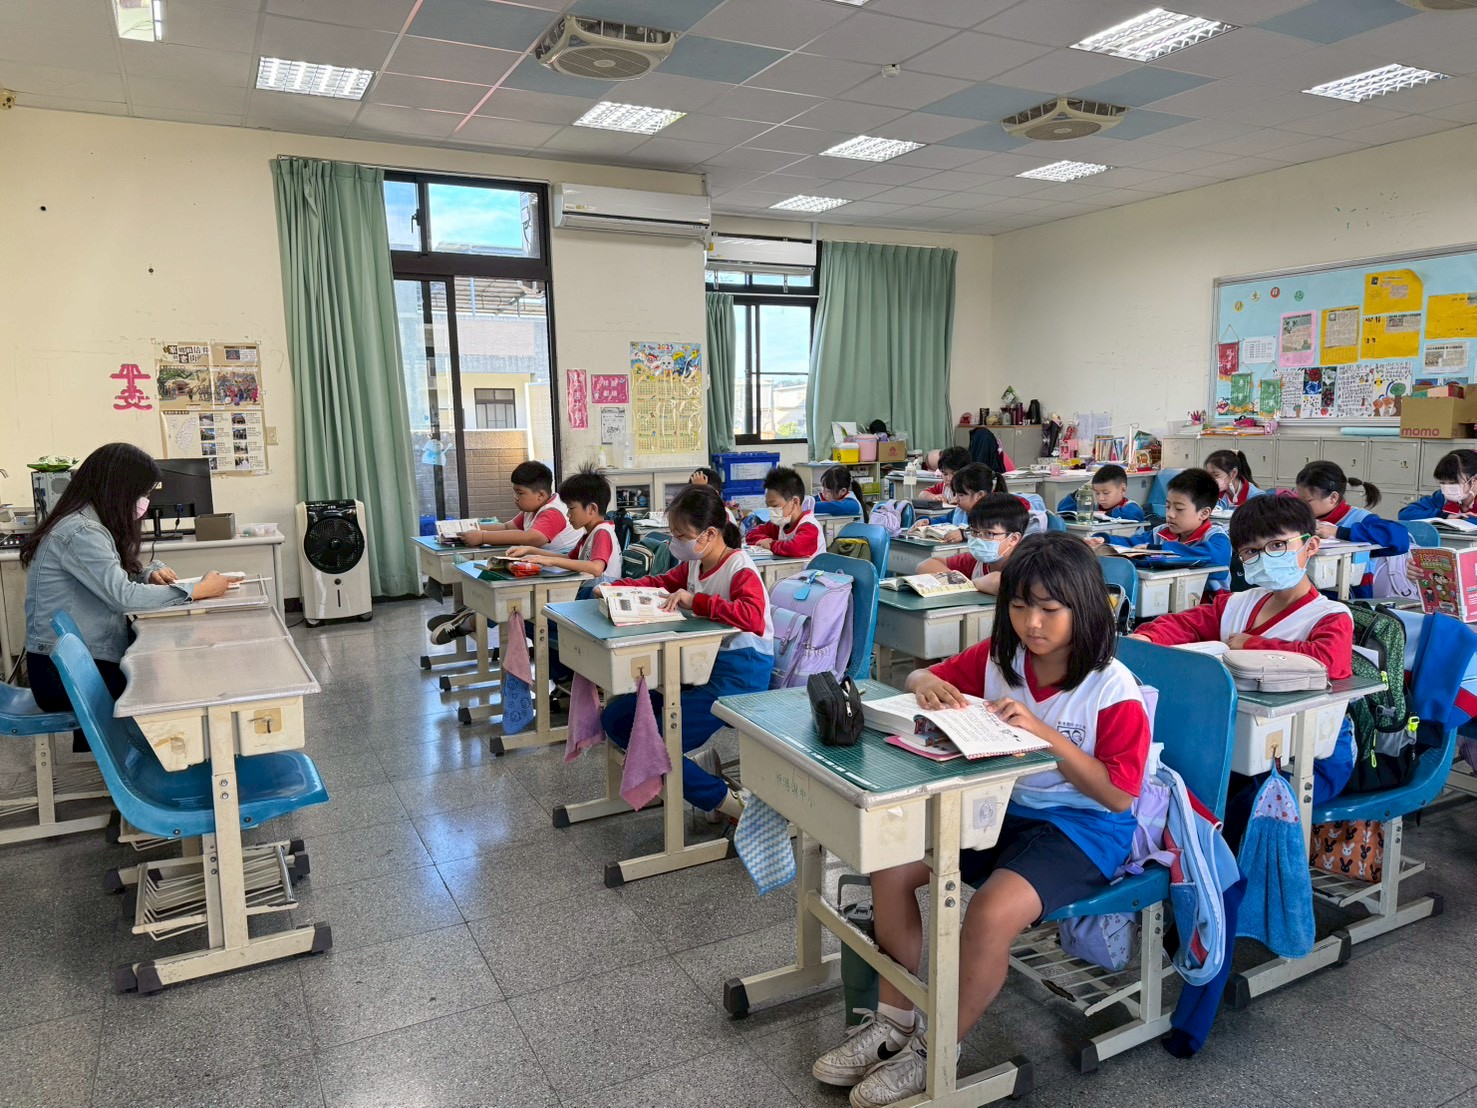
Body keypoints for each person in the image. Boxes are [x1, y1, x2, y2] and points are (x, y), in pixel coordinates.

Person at [811, 534, 1150, 1106]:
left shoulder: (1112, 687)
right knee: (890, 868)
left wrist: (1043, 735)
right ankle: (894, 1022)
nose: (1031, 624)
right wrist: (928, 684)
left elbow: (1118, 795)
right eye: (1018, 606)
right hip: (1002, 808)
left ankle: (938, 1048)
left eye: (1049, 609)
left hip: (1082, 829)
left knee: (990, 914)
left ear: (1084, 607)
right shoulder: (1002, 659)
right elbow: (920, 678)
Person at [1131, 495, 1355, 847]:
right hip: (1240, 742)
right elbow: (1186, 624)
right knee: (1175, 787)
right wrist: (1146, 638)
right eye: (1251, 551)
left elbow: (1328, 662)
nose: (1264, 557)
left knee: (1241, 814)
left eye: (1277, 545)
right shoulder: (1237, 603)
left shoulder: (1330, 616)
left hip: (1310, 755)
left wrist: (1252, 644)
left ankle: (1228, 879)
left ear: (1310, 546)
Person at [596, 484, 769, 822]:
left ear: (709, 534)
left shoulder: (739, 568)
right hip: (697, 667)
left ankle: (731, 804)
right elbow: (658, 583)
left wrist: (697, 601)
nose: (675, 542)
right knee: (615, 719)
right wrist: (613, 588)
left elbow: (754, 617)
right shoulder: (695, 564)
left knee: (655, 744)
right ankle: (688, 776)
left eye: (680, 535)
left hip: (739, 674)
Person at [21, 443, 229, 718]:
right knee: (169, 684)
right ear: (119, 489)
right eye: (142, 493)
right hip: (61, 674)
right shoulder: (81, 531)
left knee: (164, 669)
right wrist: (197, 590)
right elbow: (122, 597)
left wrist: (147, 574)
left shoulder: (88, 524)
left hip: (75, 661)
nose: (144, 502)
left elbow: (110, 578)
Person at [1089, 468, 1232, 595]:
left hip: (1209, 605)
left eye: (1179, 509)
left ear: (1204, 513)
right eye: (1168, 507)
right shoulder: (1161, 532)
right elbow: (1132, 543)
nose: (1170, 514)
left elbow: (1212, 558)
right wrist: (1105, 540)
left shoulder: (1217, 538)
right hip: (1166, 599)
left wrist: (1158, 550)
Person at [1294, 460, 1409, 598]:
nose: (1301, 506)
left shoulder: (1360, 518)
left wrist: (1339, 532)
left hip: (1350, 598)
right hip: (1307, 593)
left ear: (1333, 497)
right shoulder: (1303, 518)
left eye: (1307, 501)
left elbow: (1401, 539)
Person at [506, 466, 618, 591]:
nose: (568, 514)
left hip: (598, 594)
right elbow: (568, 558)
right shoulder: (590, 533)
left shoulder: (602, 532)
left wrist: (551, 561)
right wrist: (530, 550)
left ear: (591, 509)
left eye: (571, 508)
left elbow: (596, 568)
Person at [458, 460, 582, 553]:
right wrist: (470, 527)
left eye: (520, 493)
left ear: (540, 495)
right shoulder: (532, 509)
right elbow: (506, 527)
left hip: (562, 567)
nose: (516, 497)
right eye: (515, 492)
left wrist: (482, 537)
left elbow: (531, 538)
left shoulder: (553, 512)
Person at [915, 493, 1026, 595]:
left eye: (988, 533)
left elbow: (999, 583)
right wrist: (967, 584)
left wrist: (973, 583)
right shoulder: (976, 562)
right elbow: (925, 566)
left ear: (1013, 539)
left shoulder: (1027, 564)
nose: (979, 539)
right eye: (974, 531)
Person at [911, 463, 1006, 541]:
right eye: (955, 494)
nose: (955, 499)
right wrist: (928, 521)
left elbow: (987, 535)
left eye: (961, 495)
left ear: (979, 495)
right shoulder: (960, 512)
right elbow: (944, 521)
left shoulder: (995, 515)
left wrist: (964, 534)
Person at [745, 466, 822, 562]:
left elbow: (794, 548)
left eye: (774, 505)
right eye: (768, 506)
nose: (771, 510)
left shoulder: (810, 526)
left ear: (794, 502)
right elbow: (751, 534)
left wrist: (771, 545)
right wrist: (764, 540)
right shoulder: (781, 524)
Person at [1399, 448, 1477, 520]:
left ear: (1473, 480)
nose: (1448, 489)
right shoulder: (1441, 498)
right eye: (1443, 483)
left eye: (1453, 483)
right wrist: (1443, 516)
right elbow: (1405, 514)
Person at [1055, 464, 1145, 522]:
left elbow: (1132, 514)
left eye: (1106, 493)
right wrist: (1082, 490)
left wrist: (1105, 513)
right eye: (1097, 493)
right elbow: (1063, 510)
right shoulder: (1095, 507)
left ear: (1123, 490)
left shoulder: (1131, 507)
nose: (1101, 498)